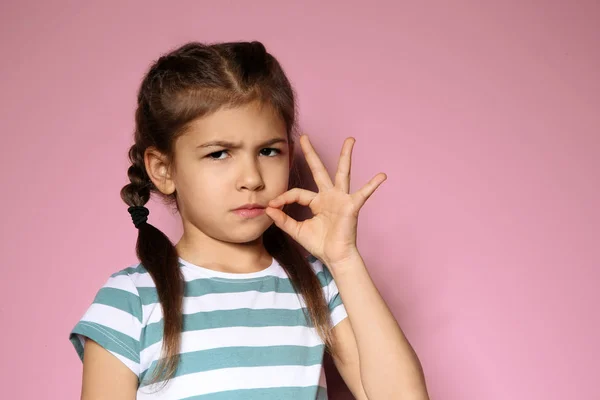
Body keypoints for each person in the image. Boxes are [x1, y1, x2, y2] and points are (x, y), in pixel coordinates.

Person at [69, 41, 429, 400]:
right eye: (219, 153)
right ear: (163, 170)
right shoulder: (130, 301)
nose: (252, 178)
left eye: (269, 151)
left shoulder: (315, 286)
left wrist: (344, 259)